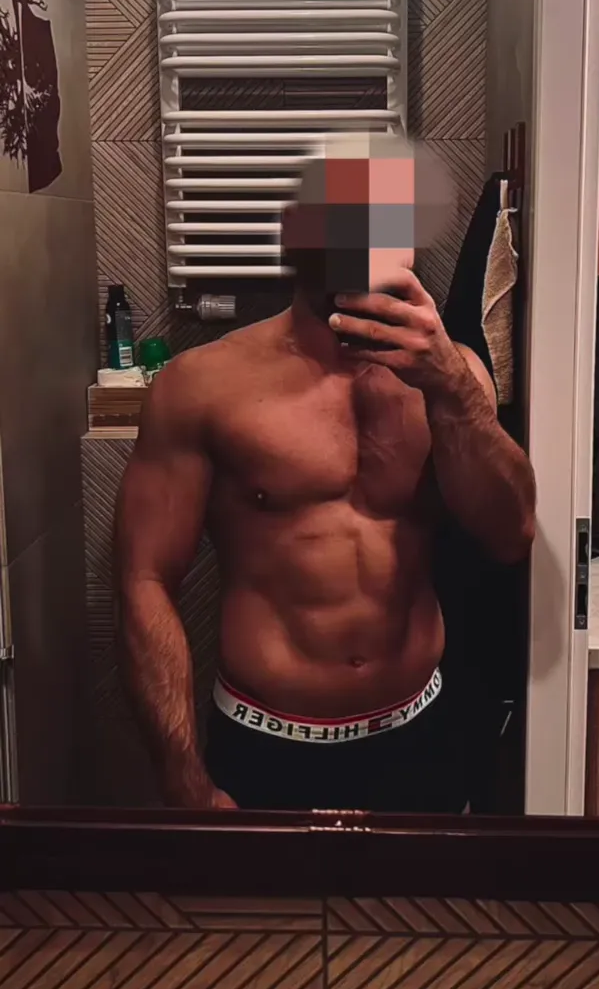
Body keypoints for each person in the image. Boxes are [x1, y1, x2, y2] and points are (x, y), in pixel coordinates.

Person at [114, 140, 536, 813]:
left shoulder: (454, 377)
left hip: (422, 734)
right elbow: (145, 581)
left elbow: (510, 535)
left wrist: (451, 388)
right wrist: (182, 778)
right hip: (266, 745)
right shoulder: (202, 386)